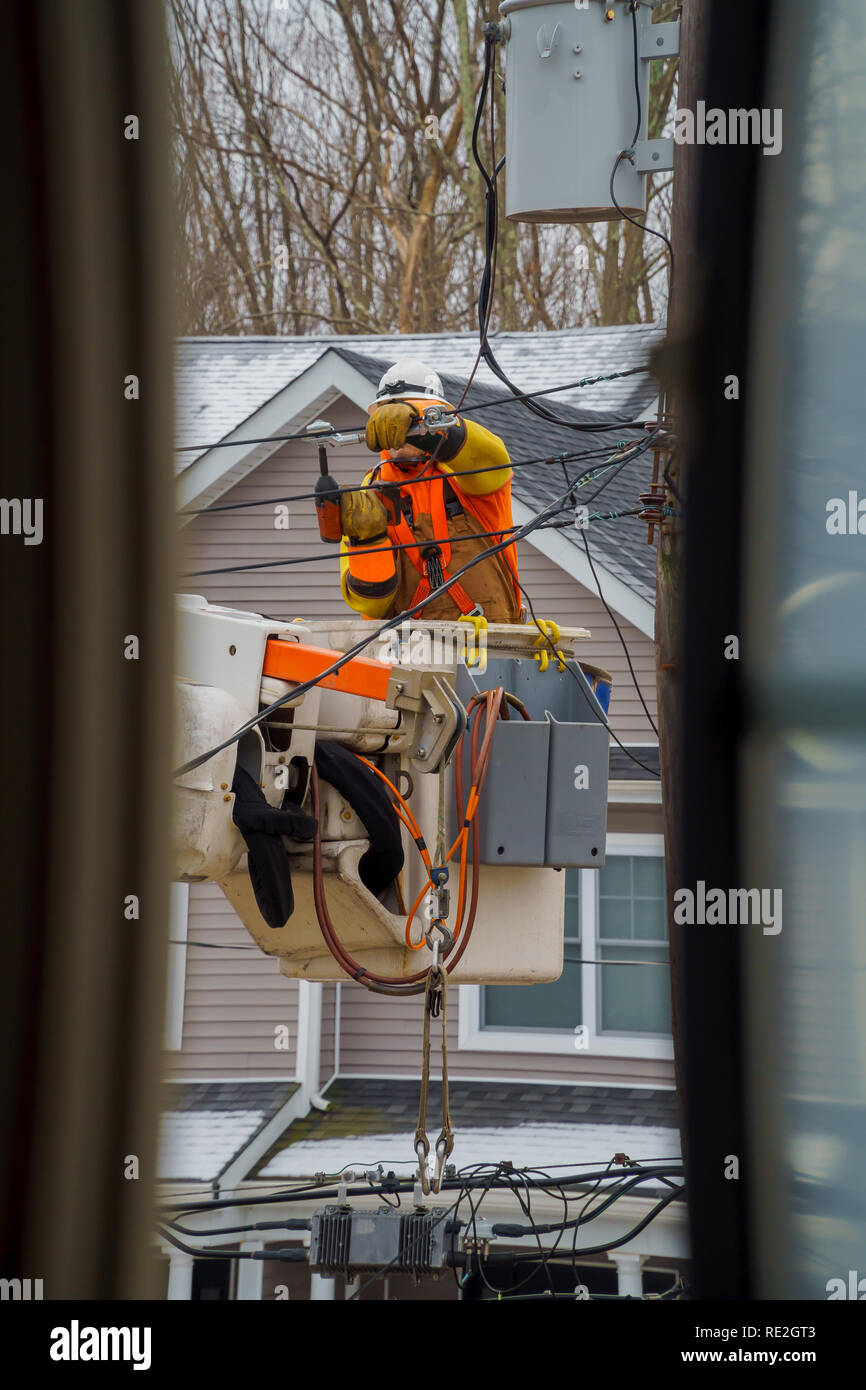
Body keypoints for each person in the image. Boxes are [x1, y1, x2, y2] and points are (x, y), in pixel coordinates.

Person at [339, 358, 522, 623]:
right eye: (390, 421)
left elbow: (493, 459)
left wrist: (425, 426)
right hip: (408, 651)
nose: (399, 433)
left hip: (492, 645)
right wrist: (368, 542)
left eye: (405, 422)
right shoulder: (368, 494)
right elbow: (372, 606)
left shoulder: (461, 471)